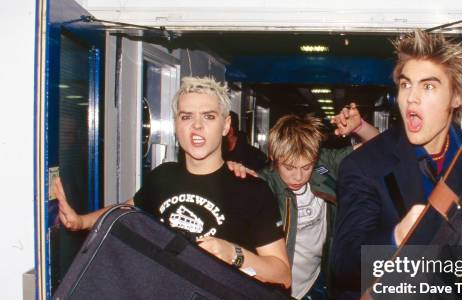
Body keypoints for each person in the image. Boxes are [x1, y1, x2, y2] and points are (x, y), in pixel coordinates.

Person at [310, 29, 462, 300]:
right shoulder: (364, 166)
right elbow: (345, 262)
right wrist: (396, 238)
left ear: (457, 96)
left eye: (429, 86)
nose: (412, 98)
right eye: (406, 84)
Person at [54, 76, 290, 288]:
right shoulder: (163, 176)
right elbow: (125, 210)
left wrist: (233, 253)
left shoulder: (250, 188)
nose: (197, 126)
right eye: (187, 116)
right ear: (176, 124)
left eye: (208, 116)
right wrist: (80, 221)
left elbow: (282, 275)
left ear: (226, 125)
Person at [254, 114, 373, 300]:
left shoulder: (324, 167)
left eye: (305, 167)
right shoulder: (263, 183)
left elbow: (381, 147)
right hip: (278, 292)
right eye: (289, 168)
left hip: (317, 285)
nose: (297, 176)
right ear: (274, 158)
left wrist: (360, 128)